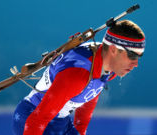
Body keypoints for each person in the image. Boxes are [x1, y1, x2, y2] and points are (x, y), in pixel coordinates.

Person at [12, 20, 145, 135]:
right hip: (33, 119)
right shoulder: (76, 76)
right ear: (114, 49)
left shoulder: (109, 65)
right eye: (132, 56)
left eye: (139, 57)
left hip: (59, 121)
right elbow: (36, 120)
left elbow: (91, 94)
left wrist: (80, 131)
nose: (136, 64)